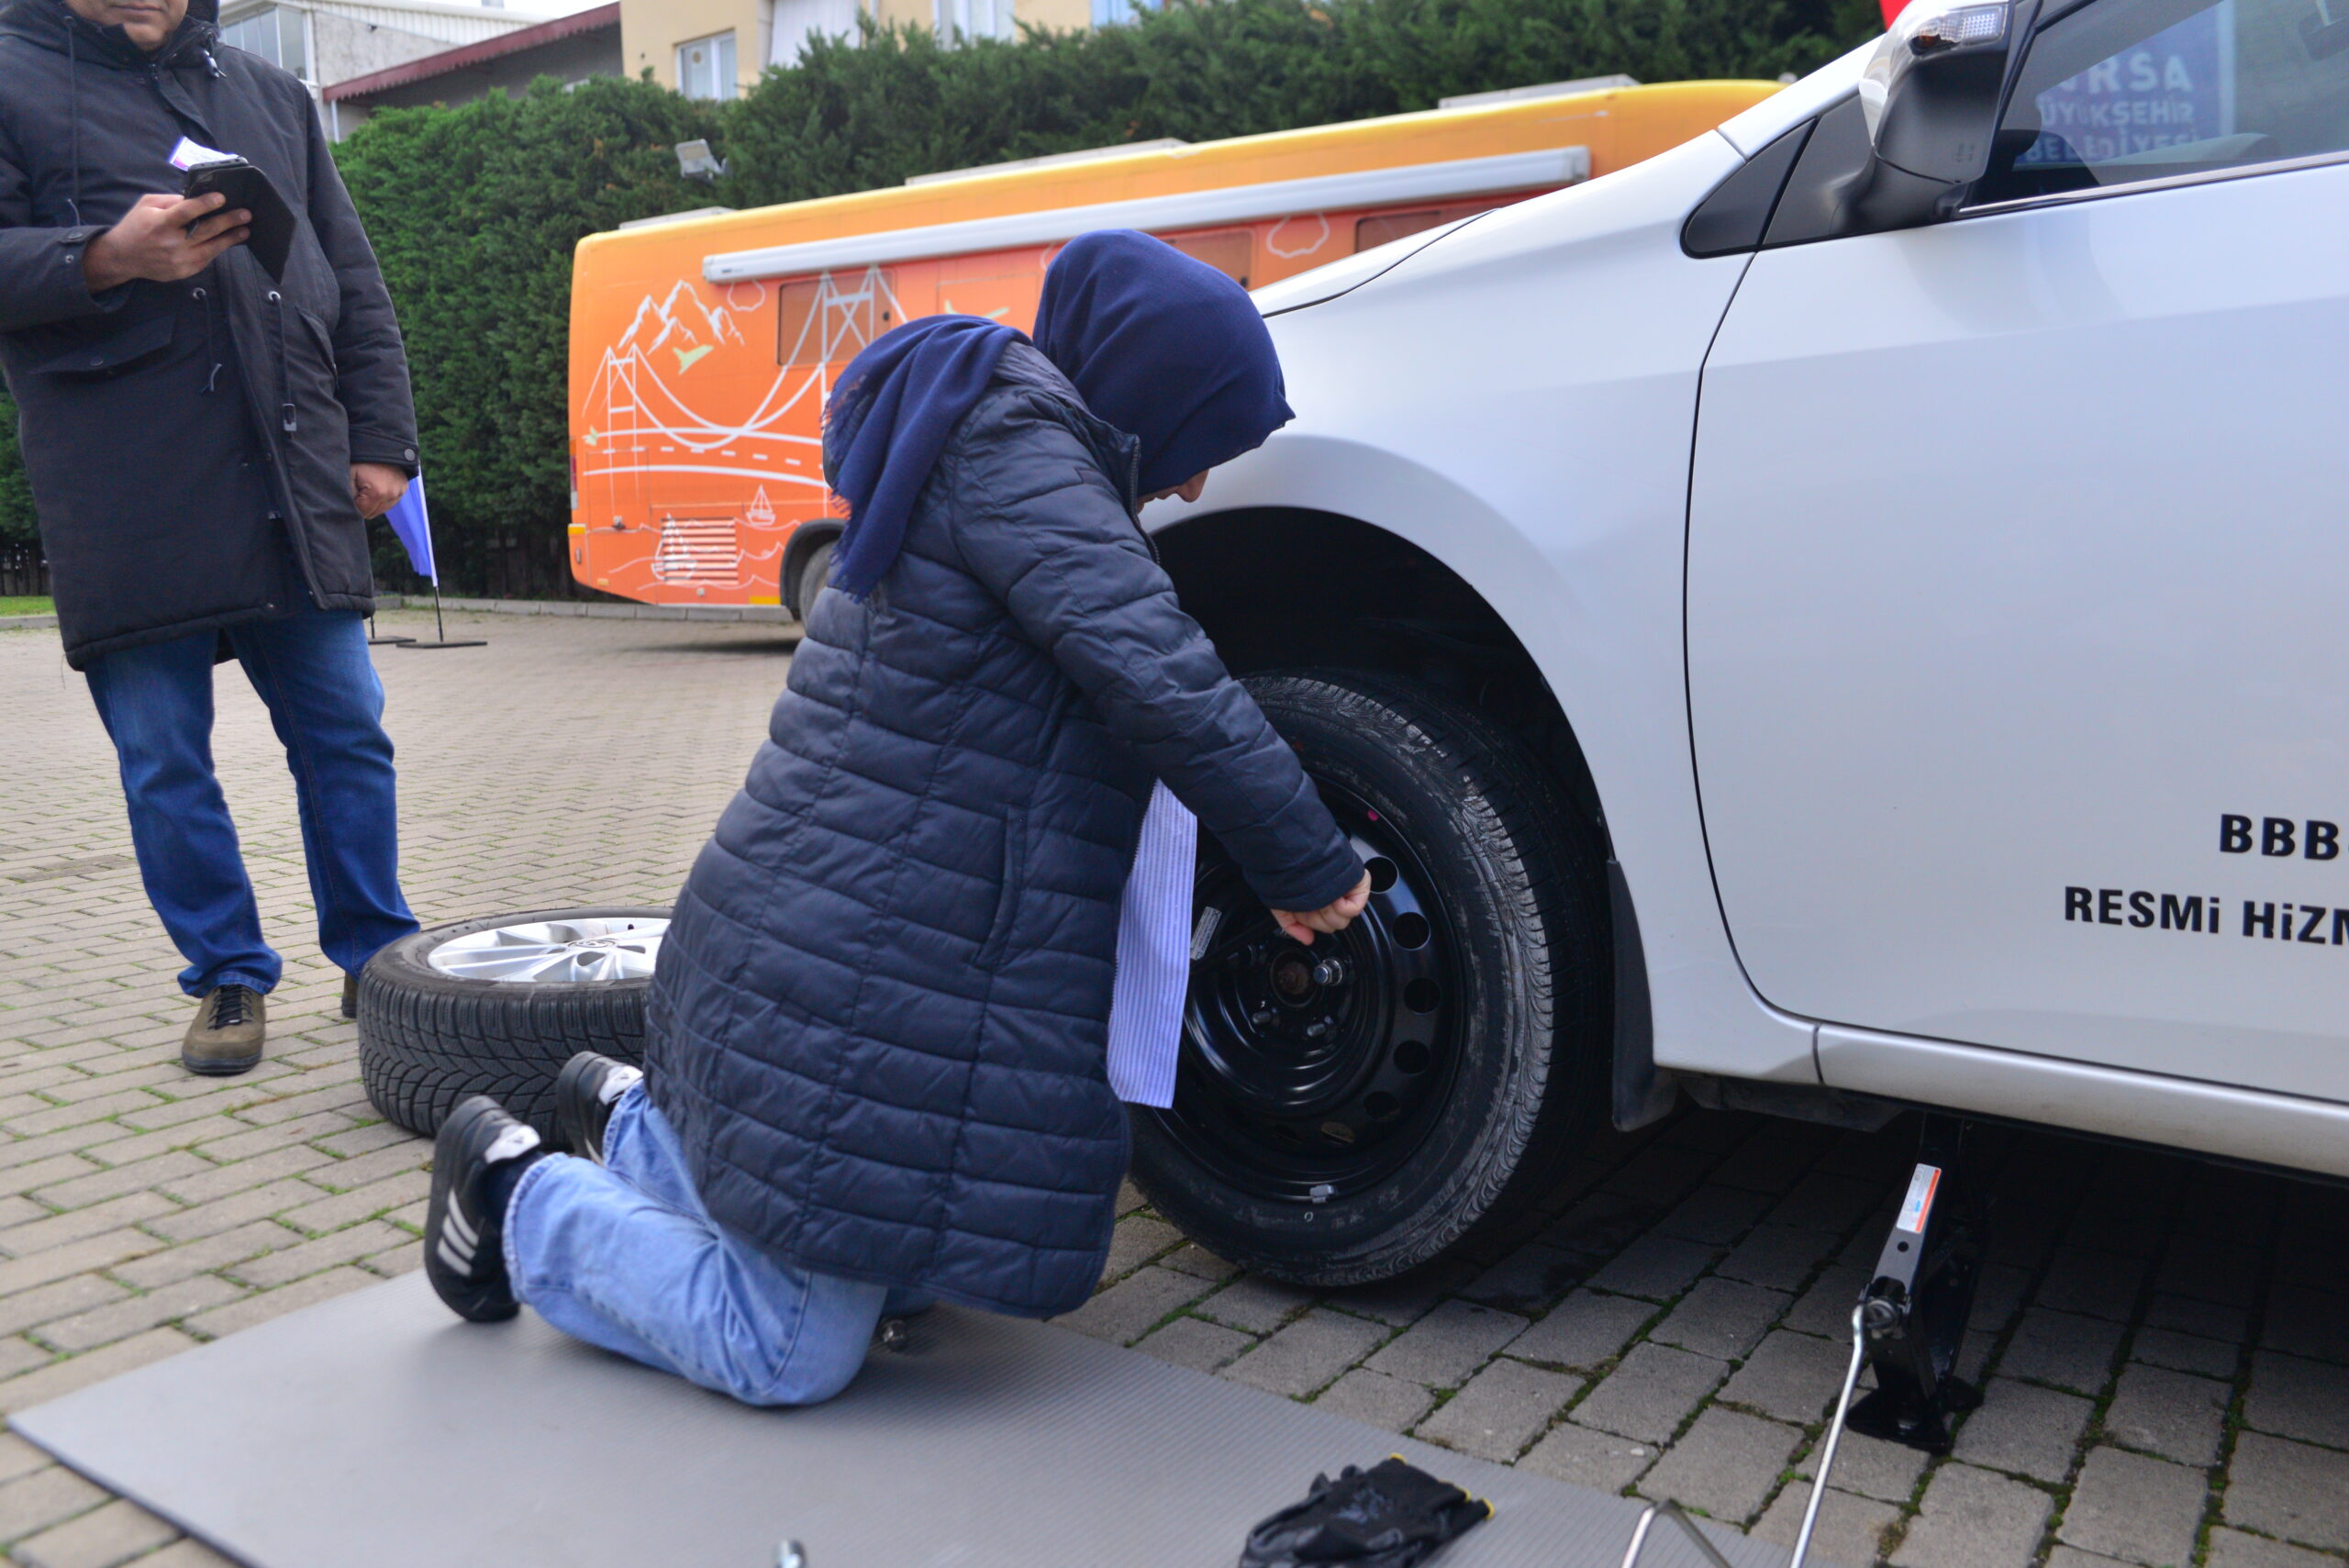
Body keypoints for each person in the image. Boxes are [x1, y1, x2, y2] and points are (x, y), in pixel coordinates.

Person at [422, 231, 1374, 1405]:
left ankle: (629, 1124)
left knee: (898, 1270)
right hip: (837, 967)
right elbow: (1161, 672)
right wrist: (1302, 855)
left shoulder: (995, 439)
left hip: (816, 939)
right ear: (1148, 391)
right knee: (789, 1348)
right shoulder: (1026, 457)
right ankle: (516, 1193)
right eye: (1198, 443)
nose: (1191, 484)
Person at [0, 0, 424, 1075]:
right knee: (163, 759)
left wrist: (381, 439)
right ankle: (228, 973)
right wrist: (101, 257)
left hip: (293, 469)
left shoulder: (269, 93)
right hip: (123, 487)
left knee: (346, 732)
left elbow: (353, 274)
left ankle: (377, 956)